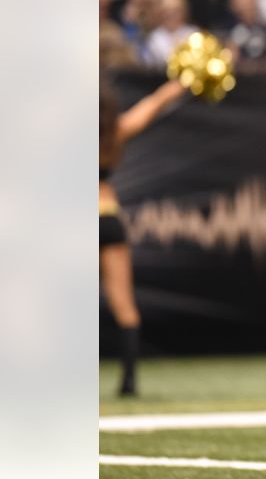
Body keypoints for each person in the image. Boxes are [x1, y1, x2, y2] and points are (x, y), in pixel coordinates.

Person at [100, 79, 188, 396]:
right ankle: (128, 383)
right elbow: (151, 105)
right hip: (108, 217)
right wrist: (183, 81)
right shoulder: (113, 136)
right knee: (124, 306)